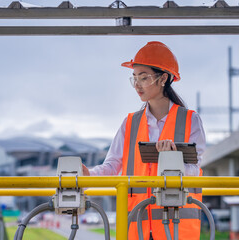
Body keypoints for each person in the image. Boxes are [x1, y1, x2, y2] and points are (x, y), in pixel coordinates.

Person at [82, 41, 206, 240]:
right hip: (137, 225)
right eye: (134, 78)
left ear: (163, 78)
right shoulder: (130, 123)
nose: (137, 85)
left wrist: (173, 162)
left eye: (144, 77)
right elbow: (114, 165)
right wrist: (88, 175)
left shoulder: (190, 120)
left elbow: (196, 170)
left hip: (176, 225)